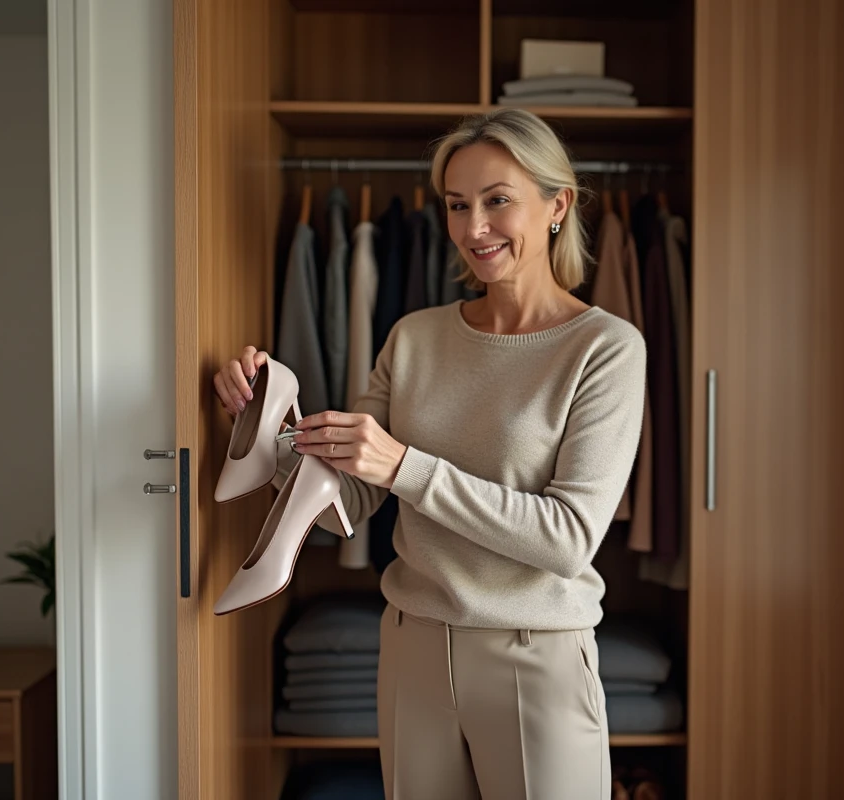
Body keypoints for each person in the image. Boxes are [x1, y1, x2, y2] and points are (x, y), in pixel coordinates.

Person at [212, 108, 646, 799]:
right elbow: (349, 504)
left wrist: (404, 466)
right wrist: (270, 430)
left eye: (497, 200)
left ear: (558, 205)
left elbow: (568, 539)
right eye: (457, 204)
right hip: (413, 648)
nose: (474, 228)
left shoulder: (605, 348)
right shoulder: (413, 337)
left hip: (534, 655)